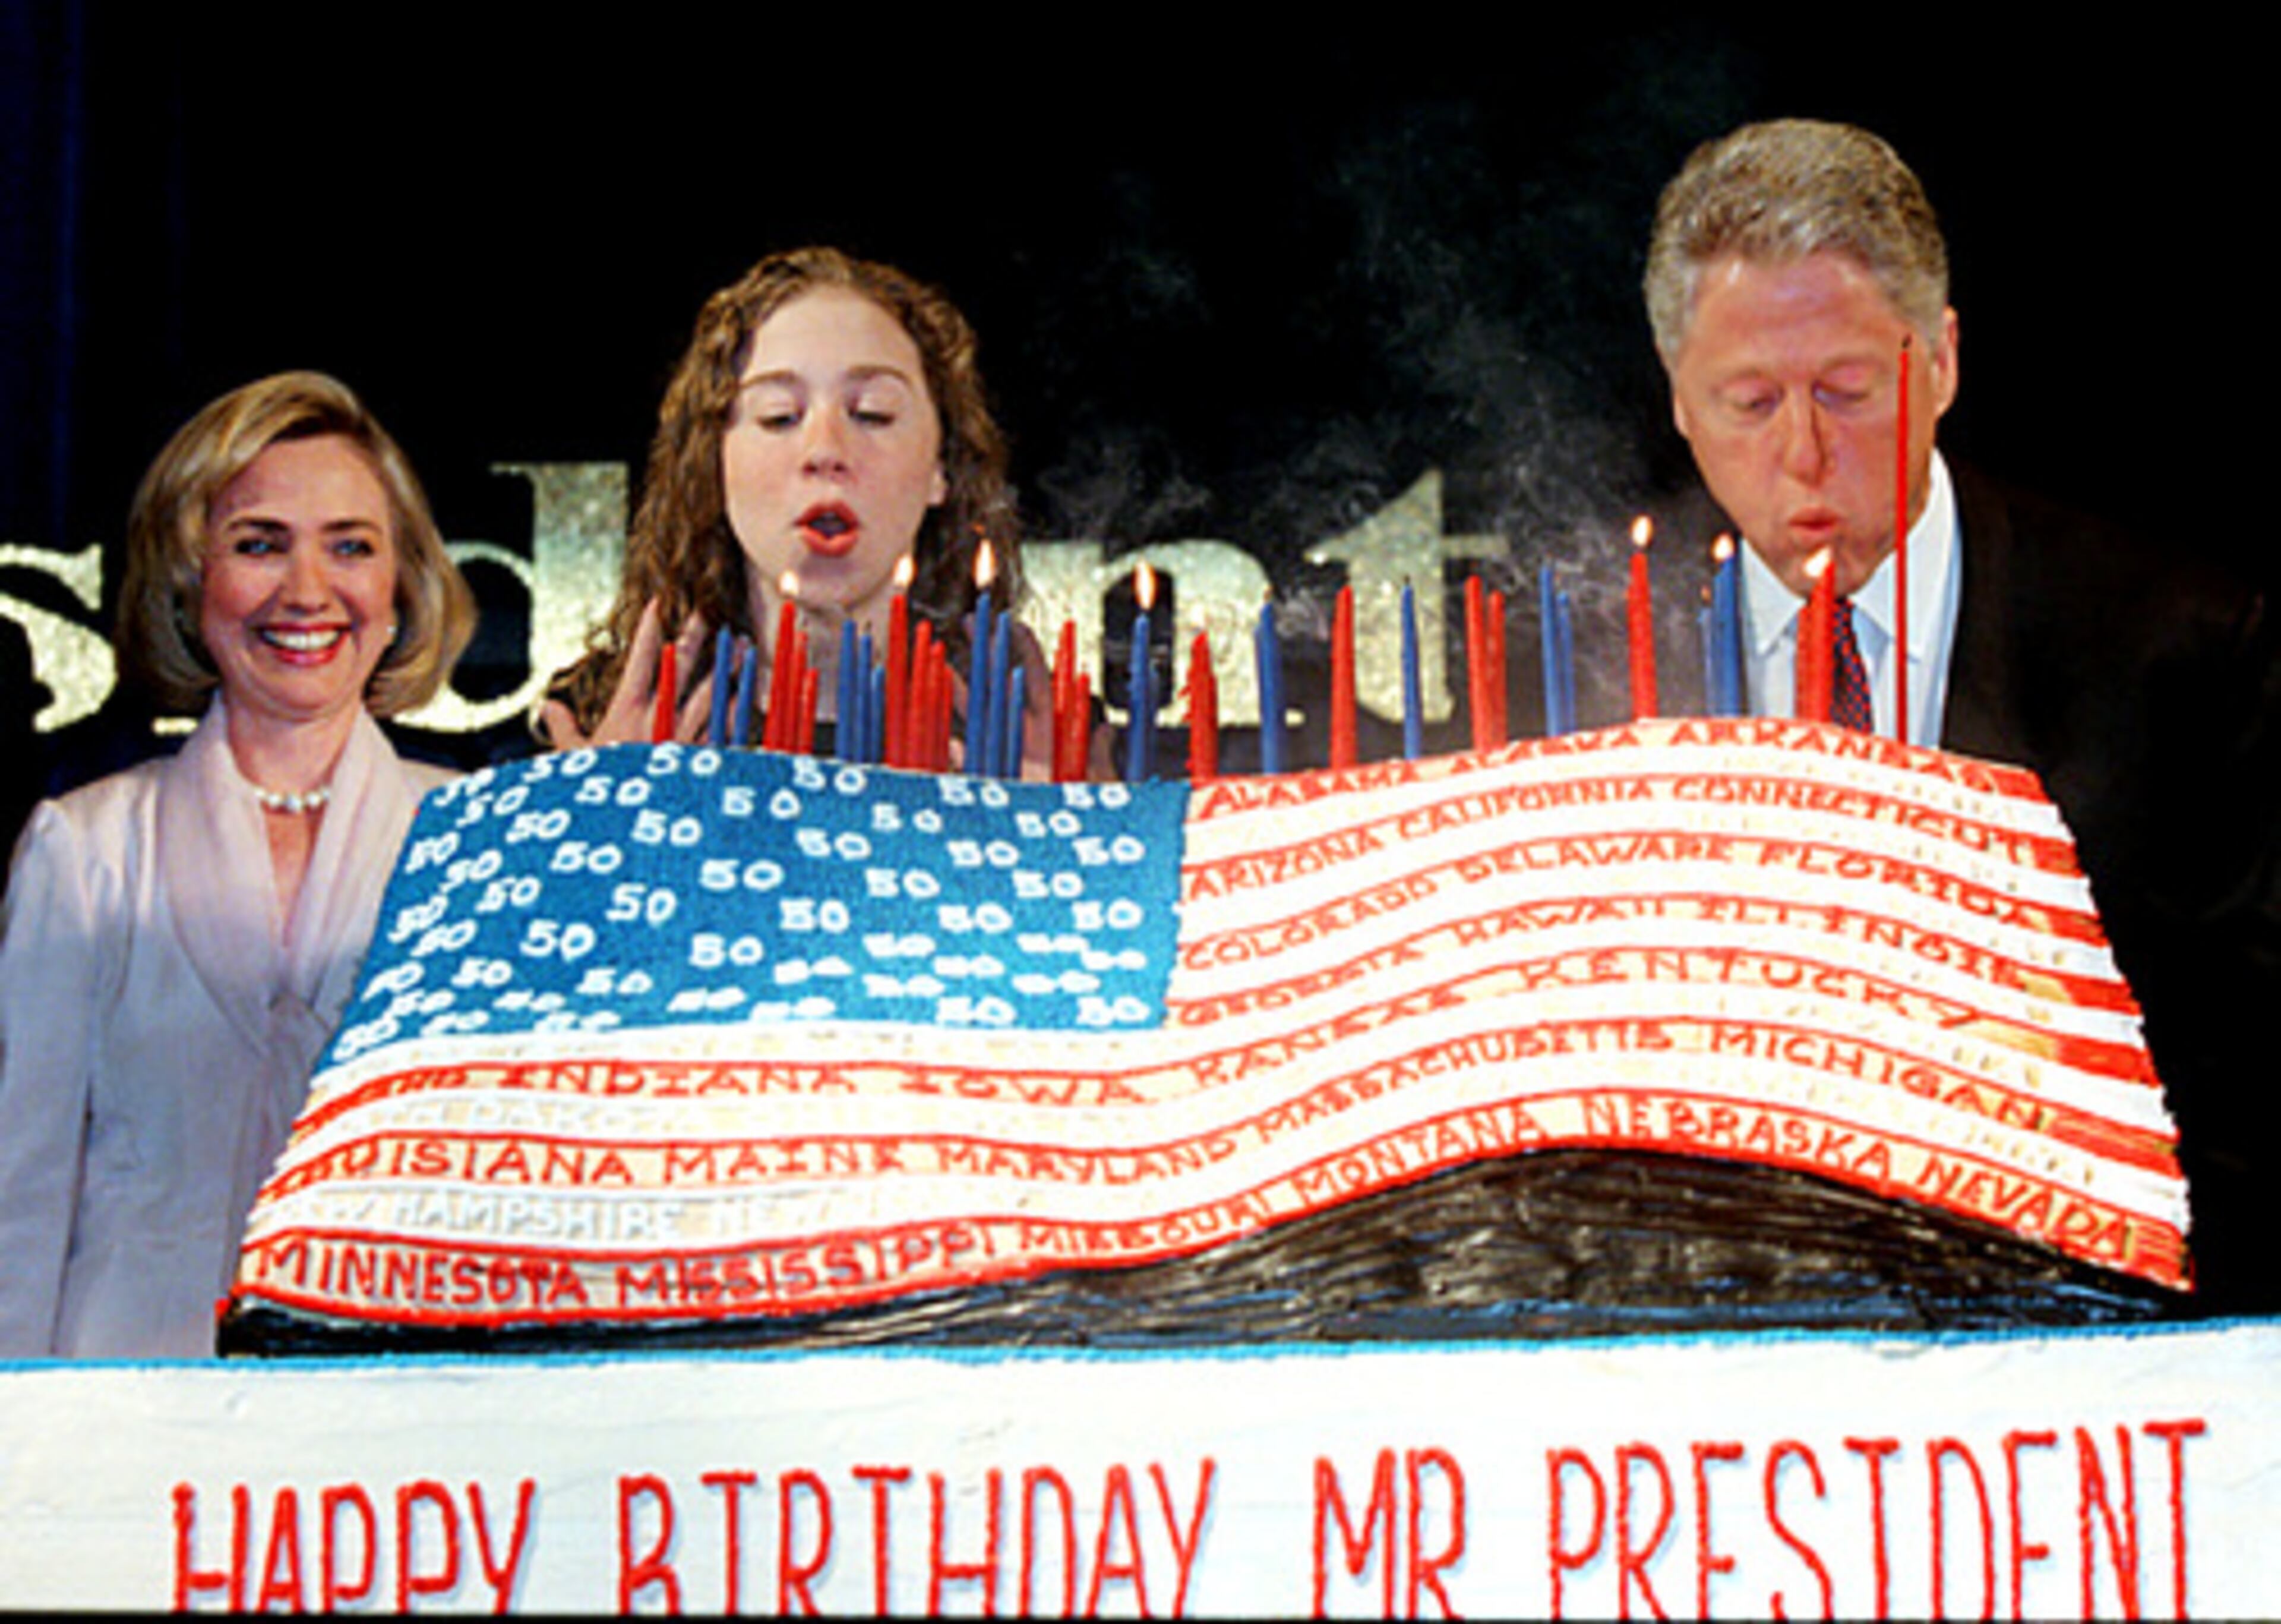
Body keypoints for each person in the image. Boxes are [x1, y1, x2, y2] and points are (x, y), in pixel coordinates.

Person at [1644, 117, 2280, 1313]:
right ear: (1677, 399)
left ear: (1940, 359)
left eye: (1846, 389)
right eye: (1747, 400)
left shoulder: (2171, 646)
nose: (1804, 453)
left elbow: (2251, 1078)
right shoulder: (1586, 666)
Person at [0, 371, 476, 1357]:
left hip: (393, 1427)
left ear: (403, 584)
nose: (308, 590)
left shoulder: (472, 841)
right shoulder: (85, 848)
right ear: (191, 580)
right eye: (259, 544)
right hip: (124, 1415)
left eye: (351, 545)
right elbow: (22, 1185)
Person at [543, 245, 1090, 774]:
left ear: (939, 469)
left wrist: (1057, 829)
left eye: (873, 414)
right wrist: (596, 810)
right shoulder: (599, 717)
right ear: (712, 465)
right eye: (780, 416)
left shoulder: (1037, 735)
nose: (826, 451)